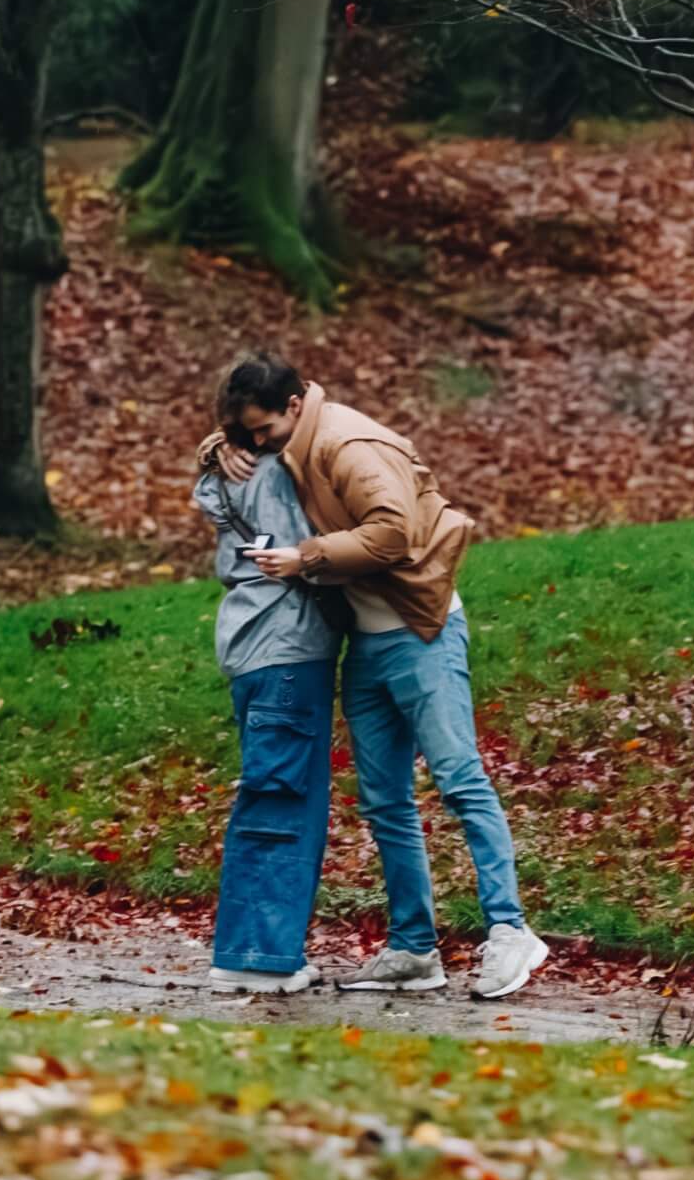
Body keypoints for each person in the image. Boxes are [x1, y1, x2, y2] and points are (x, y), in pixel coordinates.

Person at [203, 353, 549, 1001]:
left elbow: (395, 531)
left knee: (459, 778)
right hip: (366, 641)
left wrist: (304, 556)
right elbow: (247, 451)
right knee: (386, 800)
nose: (258, 445)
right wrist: (219, 444)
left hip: (422, 632)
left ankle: (509, 929)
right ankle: (415, 947)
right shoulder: (290, 440)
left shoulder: (349, 444)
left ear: (297, 404)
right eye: (247, 434)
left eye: (264, 431)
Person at [195, 443, 345, 993]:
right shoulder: (273, 473)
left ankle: (257, 948)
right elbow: (293, 554)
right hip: (287, 644)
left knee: (272, 792)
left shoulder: (226, 468)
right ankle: (259, 956)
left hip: (252, 643)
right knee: (283, 798)